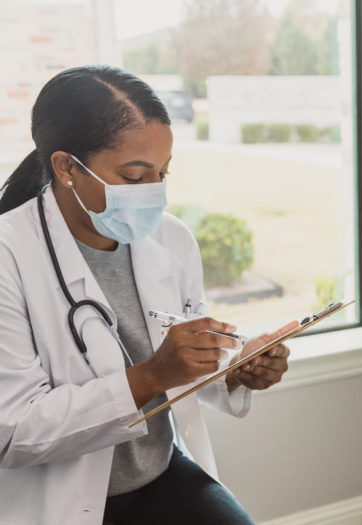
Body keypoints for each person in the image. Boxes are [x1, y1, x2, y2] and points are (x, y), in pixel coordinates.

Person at [0, 65, 294, 525]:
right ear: (66, 168)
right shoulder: (8, 256)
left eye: (163, 172)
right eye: (135, 177)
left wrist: (234, 370)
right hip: (53, 500)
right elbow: (14, 431)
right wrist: (152, 375)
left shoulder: (170, 239)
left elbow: (184, 361)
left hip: (159, 472)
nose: (154, 193)